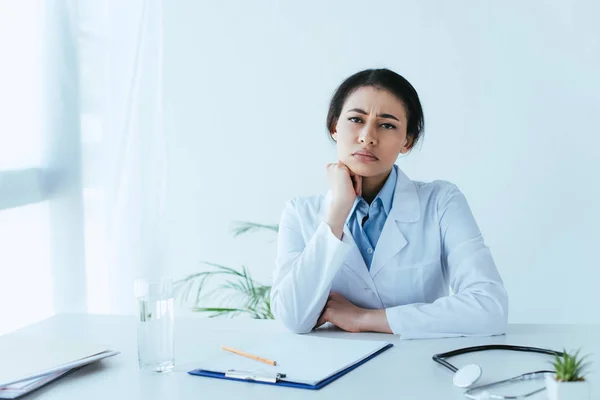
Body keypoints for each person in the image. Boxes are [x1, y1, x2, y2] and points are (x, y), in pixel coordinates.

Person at [270, 68, 508, 339]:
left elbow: (490, 309)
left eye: (387, 124)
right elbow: (293, 317)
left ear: (407, 140)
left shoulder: (442, 202)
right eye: (356, 119)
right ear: (334, 127)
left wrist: (364, 318)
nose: (367, 136)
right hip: (334, 372)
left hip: (418, 368)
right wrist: (336, 215)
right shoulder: (300, 212)